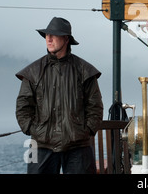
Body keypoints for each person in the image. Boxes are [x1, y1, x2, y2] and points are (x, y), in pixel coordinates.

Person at [15, 17, 104, 174]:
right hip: (40, 145)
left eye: (53, 35)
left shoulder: (84, 70)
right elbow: (23, 106)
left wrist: (87, 130)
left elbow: (95, 106)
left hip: (78, 146)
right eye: (46, 35)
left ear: (66, 39)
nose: (48, 39)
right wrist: (32, 129)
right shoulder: (33, 71)